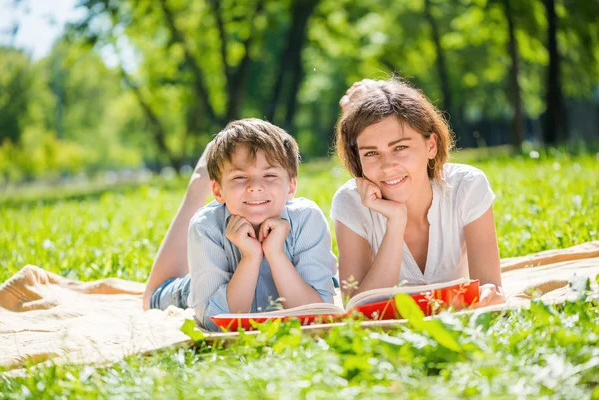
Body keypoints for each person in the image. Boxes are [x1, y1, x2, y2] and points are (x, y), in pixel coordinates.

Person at [144, 118, 336, 331]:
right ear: (217, 191)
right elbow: (214, 323)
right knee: (150, 298)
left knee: (328, 281)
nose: (255, 186)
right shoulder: (207, 226)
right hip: (201, 287)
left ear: (291, 186)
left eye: (270, 175)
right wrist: (251, 258)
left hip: (281, 282)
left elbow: (319, 316)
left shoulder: (307, 218)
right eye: (240, 177)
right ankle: (200, 182)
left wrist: (275, 254)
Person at [332, 77, 503, 308]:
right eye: (371, 153)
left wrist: (489, 296)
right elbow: (358, 311)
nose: (387, 165)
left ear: (430, 146)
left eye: (400, 147)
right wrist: (395, 221)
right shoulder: (349, 202)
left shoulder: (467, 186)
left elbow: (491, 291)